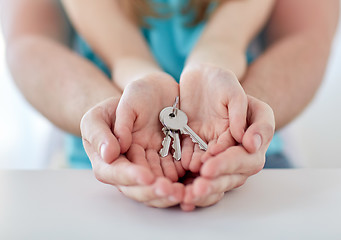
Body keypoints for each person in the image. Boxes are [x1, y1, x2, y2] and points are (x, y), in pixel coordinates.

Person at [1, 0, 338, 211]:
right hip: (95, 169)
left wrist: (245, 108)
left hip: (249, 165)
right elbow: (28, 43)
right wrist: (107, 114)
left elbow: (307, 38)